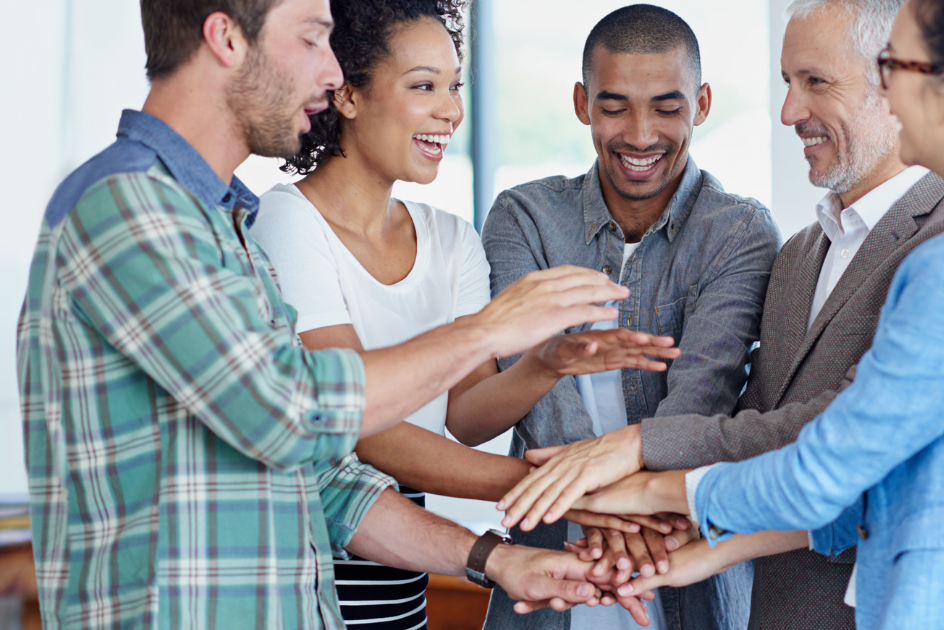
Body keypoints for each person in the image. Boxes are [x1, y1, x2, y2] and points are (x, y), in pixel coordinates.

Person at [502, 0, 944, 628]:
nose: (889, 92)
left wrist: (641, 490)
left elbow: (825, 470)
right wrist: (712, 549)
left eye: (896, 68)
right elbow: (893, 478)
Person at [18, 0, 637, 627]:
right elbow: (292, 411)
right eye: (314, 40)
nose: (331, 73)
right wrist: (488, 330)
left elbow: (325, 476)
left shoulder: (222, 227)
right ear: (225, 38)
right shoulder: (129, 207)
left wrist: (495, 559)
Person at [248, 1, 684, 627]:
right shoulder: (289, 222)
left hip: (405, 577)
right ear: (345, 93)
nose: (452, 110)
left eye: (454, 86)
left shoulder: (449, 238)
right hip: (314, 574)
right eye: (424, 85)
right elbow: (355, 423)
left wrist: (545, 364)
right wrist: (560, 488)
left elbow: (469, 417)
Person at [482, 5, 782, 630]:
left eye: (667, 107)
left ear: (700, 104)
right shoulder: (524, 217)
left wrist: (626, 509)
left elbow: (701, 399)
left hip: (684, 573)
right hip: (550, 564)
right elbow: (536, 392)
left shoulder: (740, 231)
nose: (641, 134)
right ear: (581, 102)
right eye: (614, 106)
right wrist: (615, 513)